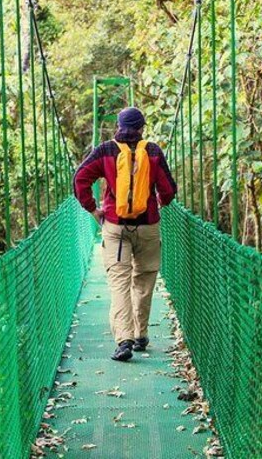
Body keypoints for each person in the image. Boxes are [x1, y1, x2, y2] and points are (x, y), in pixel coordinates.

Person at [73, 107, 177, 361]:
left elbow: (80, 179)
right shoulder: (152, 151)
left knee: (120, 284)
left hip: (116, 227)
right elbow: (169, 190)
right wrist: (160, 202)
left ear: (118, 127)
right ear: (142, 128)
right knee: (143, 280)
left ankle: (124, 341)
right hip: (148, 226)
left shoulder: (106, 150)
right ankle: (140, 334)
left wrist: (93, 209)